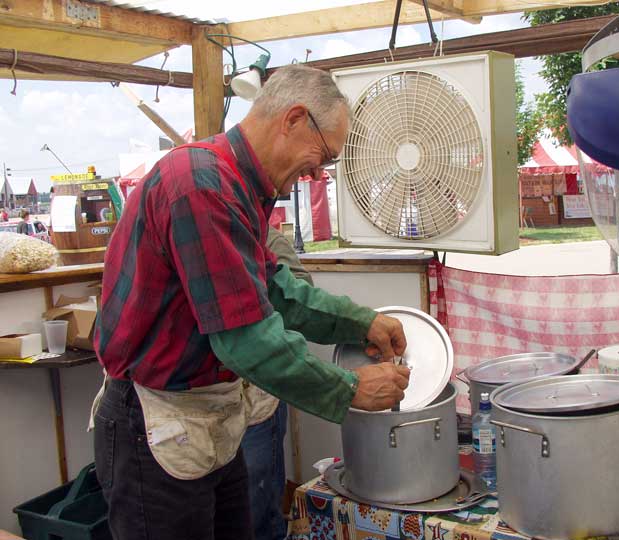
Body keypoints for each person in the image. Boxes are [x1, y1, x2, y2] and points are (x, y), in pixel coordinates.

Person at [91, 64, 411, 540]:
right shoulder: (201, 183)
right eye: (322, 156)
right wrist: (348, 390)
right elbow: (246, 338)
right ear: (294, 119)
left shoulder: (240, 187)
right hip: (156, 426)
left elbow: (275, 291)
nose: (316, 173)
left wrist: (360, 322)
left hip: (208, 420)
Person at [242, 226, 312, 540]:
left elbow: (301, 293)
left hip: (257, 397)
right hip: (203, 406)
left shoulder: (267, 237)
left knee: (258, 500)